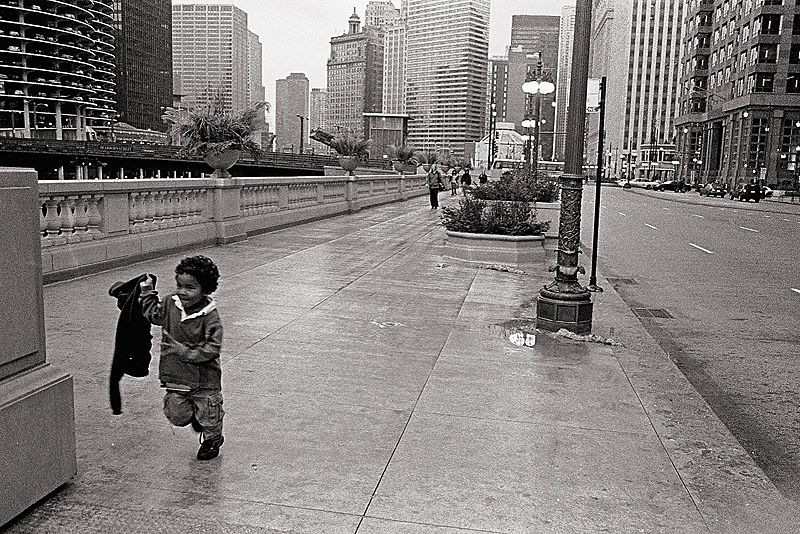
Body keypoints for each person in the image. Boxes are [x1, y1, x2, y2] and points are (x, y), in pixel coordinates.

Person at [139, 255, 225, 461]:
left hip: (205, 380)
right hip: (177, 376)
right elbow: (154, 315)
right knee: (176, 414)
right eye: (179, 286)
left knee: (210, 416)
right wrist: (147, 292)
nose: (182, 292)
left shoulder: (210, 316)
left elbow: (212, 348)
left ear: (205, 289)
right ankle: (195, 416)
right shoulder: (171, 303)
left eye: (190, 287)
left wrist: (183, 351)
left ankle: (212, 440)